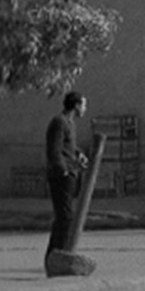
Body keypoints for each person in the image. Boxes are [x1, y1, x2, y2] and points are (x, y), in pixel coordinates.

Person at [44, 91, 95, 277]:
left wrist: (79, 154)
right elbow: (54, 151)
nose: (85, 109)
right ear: (76, 105)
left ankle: (58, 256)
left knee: (65, 218)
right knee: (65, 217)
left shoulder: (69, 123)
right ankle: (54, 257)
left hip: (71, 175)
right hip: (61, 178)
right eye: (83, 105)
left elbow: (69, 147)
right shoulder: (59, 122)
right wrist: (63, 170)